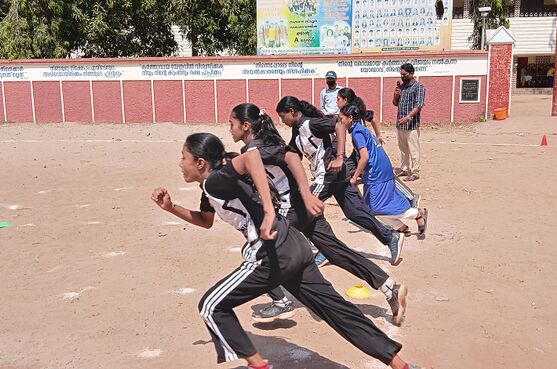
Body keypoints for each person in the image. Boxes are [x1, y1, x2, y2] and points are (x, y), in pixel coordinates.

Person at [151, 133, 418, 369]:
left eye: (183, 157)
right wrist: (171, 207)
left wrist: (268, 211)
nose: (180, 163)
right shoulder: (212, 184)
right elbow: (205, 220)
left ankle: (258, 365)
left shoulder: (215, 181)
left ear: (200, 162)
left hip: (273, 254)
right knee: (337, 310)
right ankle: (400, 365)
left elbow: (251, 157)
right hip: (294, 245)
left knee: (211, 306)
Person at [228, 103, 408, 325]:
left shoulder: (255, 150)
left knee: (254, 249)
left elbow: (291, 159)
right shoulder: (266, 144)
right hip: (301, 207)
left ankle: (281, 301)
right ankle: (390, 288)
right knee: (336, 251)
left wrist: (306, 193)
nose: (230, 129)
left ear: (246, 126)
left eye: (232, 124)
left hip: (292, 209)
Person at [275, 96, 406, 265]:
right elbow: (292, 156)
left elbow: (340, 126)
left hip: (329, 175)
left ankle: (326, 249)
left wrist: (339, 157)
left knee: (303, 206)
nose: (282, 120)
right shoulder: (297, 131)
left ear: (292, 111)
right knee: (355, 213)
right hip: (336, 176)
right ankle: (390, 236)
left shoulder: (311, 124)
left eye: (282, 116)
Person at [336, 88, 428, 235]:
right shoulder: (359, 128)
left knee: (378, 207)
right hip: (379, 168)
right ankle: (400, 227)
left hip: (377, 171)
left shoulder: (357, 133)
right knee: (371, 207)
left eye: (341, 119)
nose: (339, 122)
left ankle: (417, 213)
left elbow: (365, 157)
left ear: (350, 118)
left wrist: (354, 178)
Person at [392, 63, 425, 182]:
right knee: (403, 149)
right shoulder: (402, 87)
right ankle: (405, 168)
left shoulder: (418, 87)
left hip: (411, 125)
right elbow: (395, 103)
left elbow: (418, 105)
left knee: (413, 149)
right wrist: (395, 95)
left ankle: (415, 172)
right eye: (401, 74)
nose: (402, 77)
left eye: (404, 74)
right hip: (400, 124)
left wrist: (408, 117)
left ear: (411, 73)